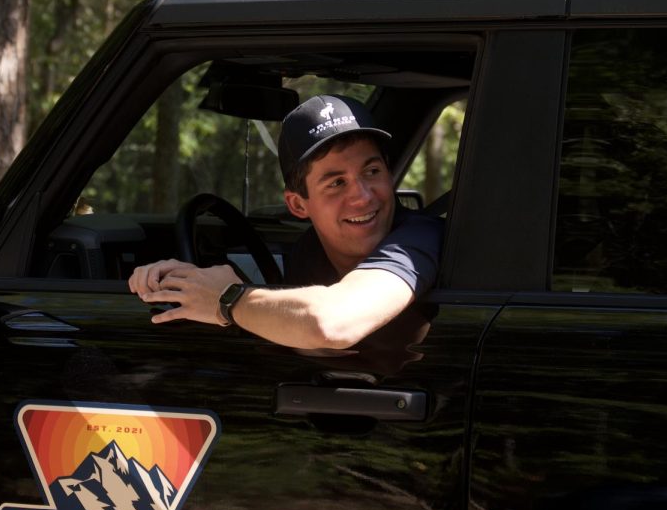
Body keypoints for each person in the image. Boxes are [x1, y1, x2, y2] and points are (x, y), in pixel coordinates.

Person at [128, 94, 441, 350]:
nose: (362, 196)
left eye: (372, 172)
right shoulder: (311, 251)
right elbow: (291, 322)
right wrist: (181, 284)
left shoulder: (417, 239)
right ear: (298, 204)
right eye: (336, 183)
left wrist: (227, 299)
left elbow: (330, 323)